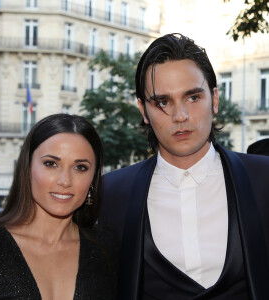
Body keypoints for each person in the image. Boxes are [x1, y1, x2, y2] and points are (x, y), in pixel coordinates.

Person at [99, 33, 269, 300]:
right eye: (162, 102)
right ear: (143, 111)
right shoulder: (112, 193)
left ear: (214, 99)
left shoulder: (264, 179)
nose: (180, 116)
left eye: (192, 97)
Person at [0, 114, 118, 300]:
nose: (65, 181)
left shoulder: (107, 246)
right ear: (28, 168)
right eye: (51, 164)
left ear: (93, 179)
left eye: (80, 167)